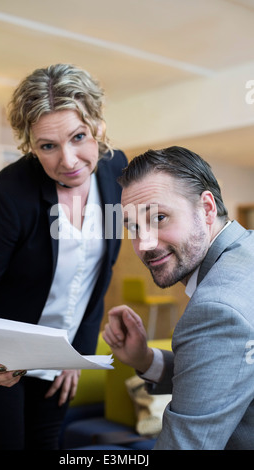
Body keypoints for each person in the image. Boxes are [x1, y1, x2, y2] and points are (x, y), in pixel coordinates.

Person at [0, 64, 127, 450]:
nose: (68, 160)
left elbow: (100, 273)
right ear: (29, 145)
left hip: (60, 359)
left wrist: (78, 353)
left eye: (78, 137)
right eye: (47, 146)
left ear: (98, 125)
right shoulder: (8, 195)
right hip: (4, 360)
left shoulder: (116, 171)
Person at [103, 146, 254, 450]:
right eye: (133, 226)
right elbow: (223, 372)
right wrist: (145, 359)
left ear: (207, 208)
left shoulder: (217, 308)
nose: (144, 243)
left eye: (159, 217)